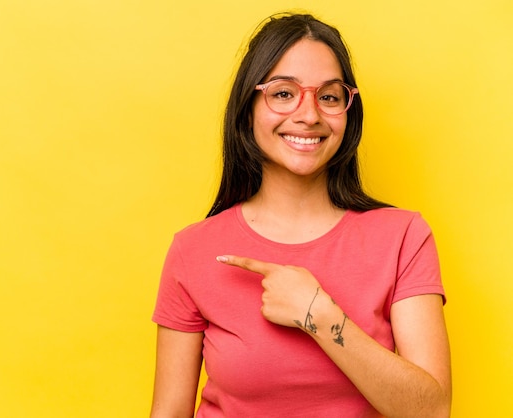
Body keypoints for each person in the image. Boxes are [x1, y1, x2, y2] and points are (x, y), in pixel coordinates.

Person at [150, 12, 451, 418]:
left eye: (328, 96)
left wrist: (319, 316)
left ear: (347, 111)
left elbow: (431, 412)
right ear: (249, 106)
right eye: (283, 93)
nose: (309, 115)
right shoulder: (193, 249)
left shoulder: (403, 237)